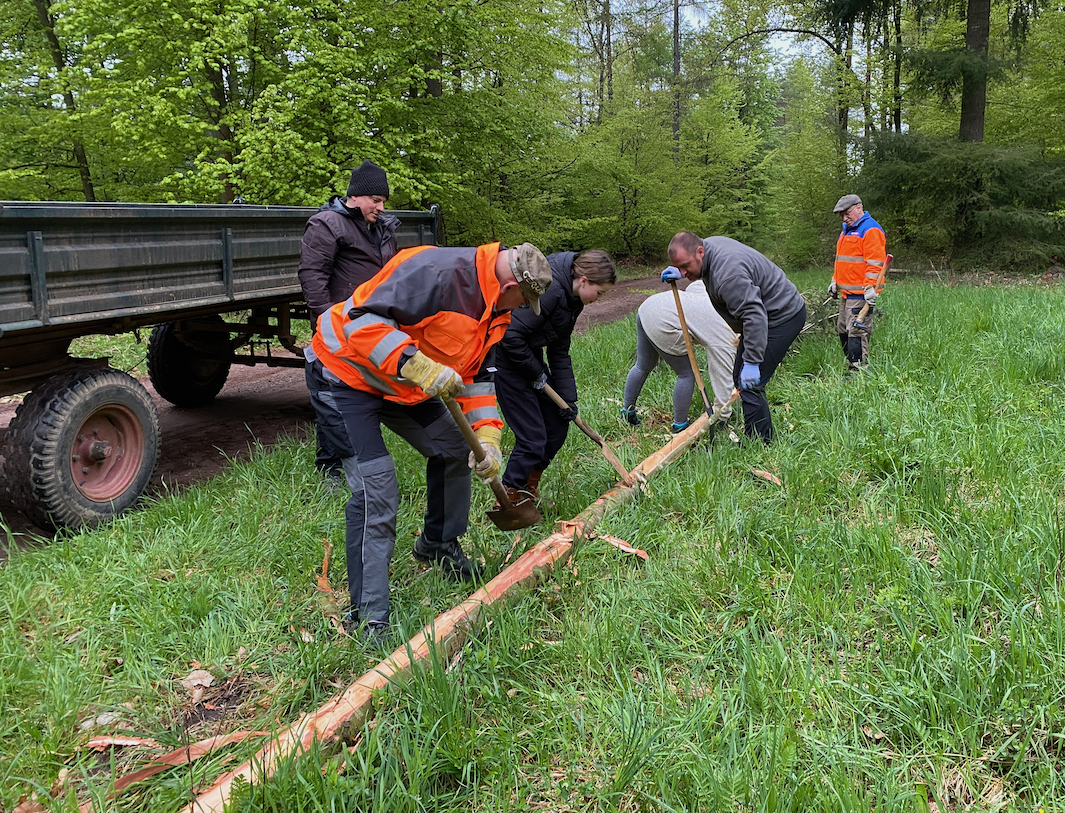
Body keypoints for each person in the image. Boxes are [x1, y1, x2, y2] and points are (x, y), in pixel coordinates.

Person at [310, 242, 553, 643]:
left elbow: (475, 378)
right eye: (524, 298)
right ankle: (368, 616)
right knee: (378, 489)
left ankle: (438, 544)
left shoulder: (497, 312)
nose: (524, 307)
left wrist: (488, 438)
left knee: (456, 447)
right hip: (344, 374)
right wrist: (414, 362)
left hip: (402, 387)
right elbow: (357, 321)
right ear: (510, 283)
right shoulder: (434, 272)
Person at [298, 160, 399, 487]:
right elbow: (313, 277)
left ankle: (331, 468)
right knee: (335, 400)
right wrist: (327, 323)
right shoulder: (327, 225)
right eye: (376, 200)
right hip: (340, 328)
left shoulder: (383, 228)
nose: (381, 207)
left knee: (349, 399)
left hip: (373, 328)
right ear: (356, 196)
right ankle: (333, 473)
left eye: (384, 201)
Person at [494, 250, 616, 505]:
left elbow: (560, 350)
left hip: (528, 357)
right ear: (583, 281)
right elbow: (509, 335)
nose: (599, 298)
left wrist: (568, 399)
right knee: (533, 437)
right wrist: (537, 375)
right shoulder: (551, 291)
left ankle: (529, 486)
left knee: (557, 426)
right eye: (600, 292)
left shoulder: (574, 301)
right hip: (505, 359)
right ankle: (508, 499)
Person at [664, 233, 806, 443]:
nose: (684, 272)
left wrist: (752, 361)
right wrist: (683, 271)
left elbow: (754, 315)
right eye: (680, 267)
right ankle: (756, 432)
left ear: (700, 252)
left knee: (750, 383)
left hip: (780, 317)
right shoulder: (707, 250)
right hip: (764, 315)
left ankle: (760, 443)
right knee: (741, 378)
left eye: (686, 265)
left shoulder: (728, 275)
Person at [620, 278, 738, 432]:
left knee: (643, 366)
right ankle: (680, 425)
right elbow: (722, 377)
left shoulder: (720, 295)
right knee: (686, 374)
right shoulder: (725, 335)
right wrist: (722, 415)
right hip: (665, 321)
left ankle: (627, 412)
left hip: (651, 306)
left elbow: (697, 285)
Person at [828, 194, 887, 373]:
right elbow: (843, 261)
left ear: (859, 207)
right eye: (842, 215)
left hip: (861, 294)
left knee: (856, 333)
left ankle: (859, 371)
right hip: (846, 293)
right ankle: (852, 364)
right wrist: (834, 280)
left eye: (847, 213)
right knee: (843, 331)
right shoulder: (846, 230)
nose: (845, 218)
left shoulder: (870, 230)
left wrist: (870, 288)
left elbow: (875, 263)